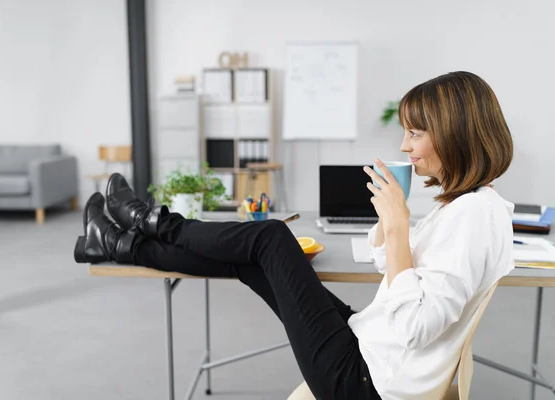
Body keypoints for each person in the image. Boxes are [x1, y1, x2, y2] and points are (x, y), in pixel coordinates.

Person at [73, 71, 515, 400]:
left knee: (270, 239)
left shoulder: (473, 218)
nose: (404, 145)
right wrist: (389, 225)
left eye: (415, 133)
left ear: (457, 135)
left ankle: (148, 221)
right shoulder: (471, 206)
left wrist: (400, 231)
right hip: (370, 348)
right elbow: (401, 275)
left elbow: (415, 326)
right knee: (250, 256)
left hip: (363, 381)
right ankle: (117, 243)